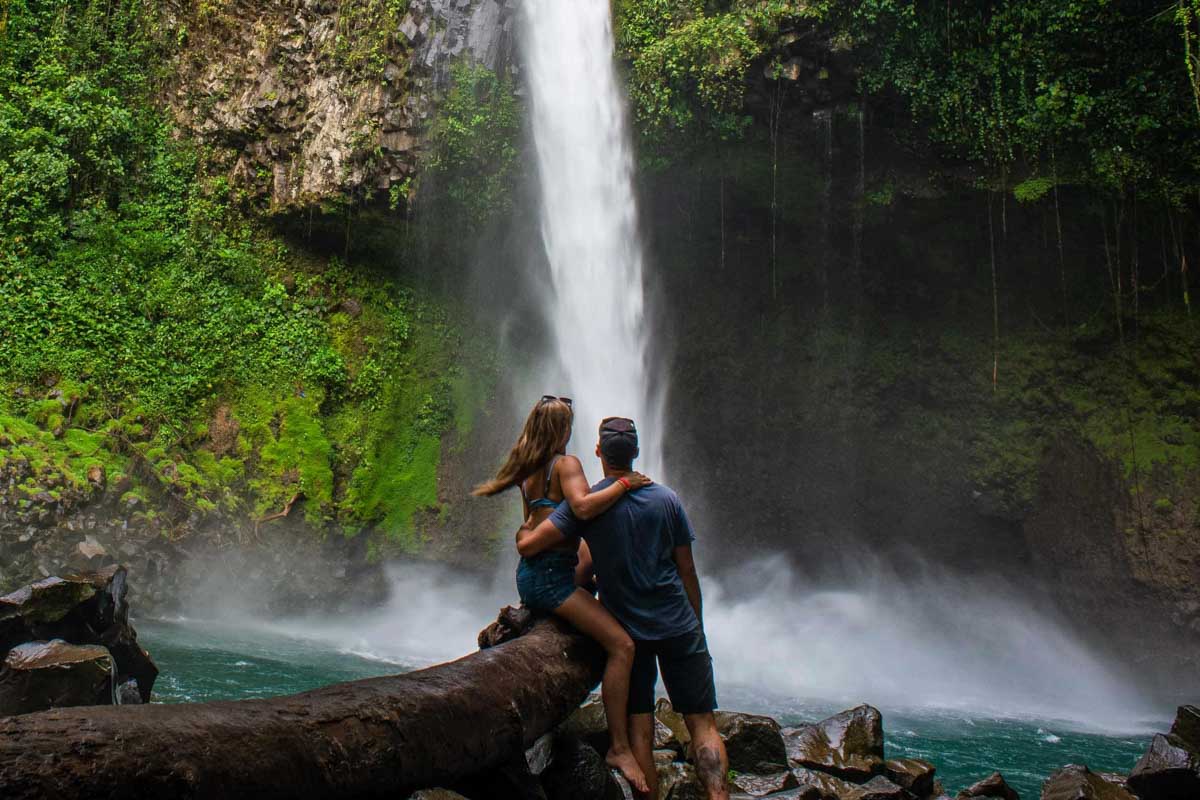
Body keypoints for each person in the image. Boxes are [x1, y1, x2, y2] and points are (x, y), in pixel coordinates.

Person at [517, 417, 730, 800]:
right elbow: (687, 570)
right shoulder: (667, 500)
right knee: (702, 724)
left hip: (631, 630)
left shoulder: (588, 507)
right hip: (679, 624)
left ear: (598, 452)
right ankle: (718, 795)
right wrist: (696, 623)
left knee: (640, 730)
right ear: (635, 452)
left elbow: (558, 556)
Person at [473, 395, 651, 793]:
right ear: (563, 430)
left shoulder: (529, 468)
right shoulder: (565, 464)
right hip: (553, 581)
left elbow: (536, 527)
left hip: (533, 576)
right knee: (622, 645)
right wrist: (625, 482)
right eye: (570, 424)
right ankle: (620, 747)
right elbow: (584, 508)